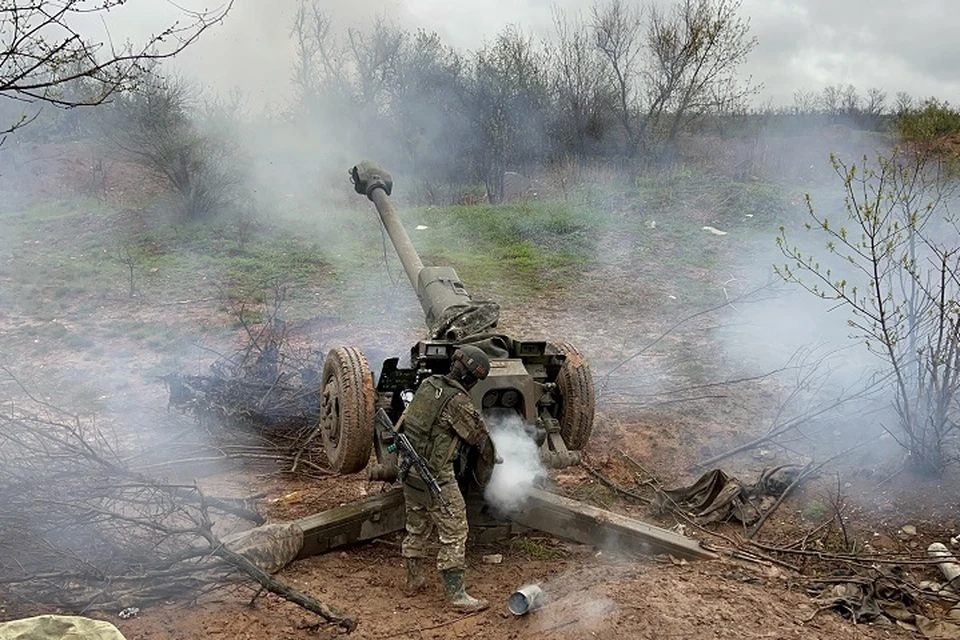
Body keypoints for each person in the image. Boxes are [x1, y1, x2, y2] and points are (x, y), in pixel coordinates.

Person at [395, 345, 497, 612]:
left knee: (417, 525)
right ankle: (457, 596)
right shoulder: (458, 401)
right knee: (455, 530)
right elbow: (478, 438)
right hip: (435, 475)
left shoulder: (429, 385)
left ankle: (413, 580)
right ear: (470, 377)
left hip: (409, 468)